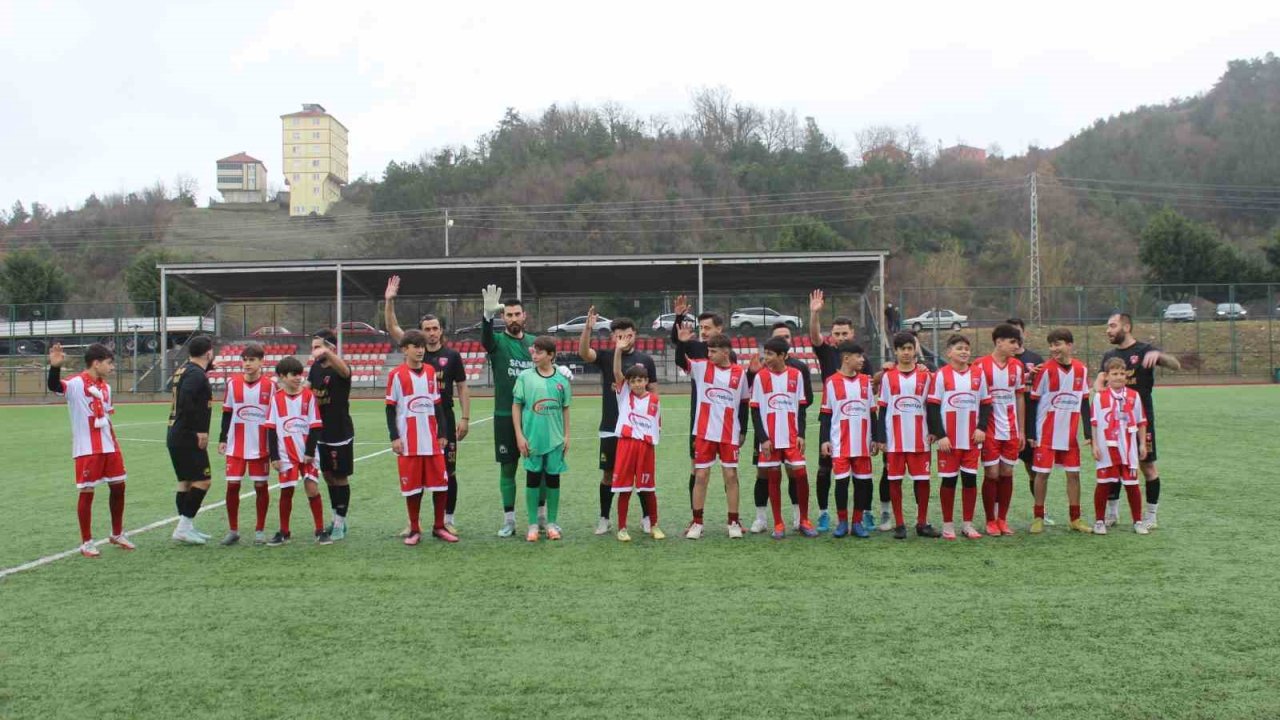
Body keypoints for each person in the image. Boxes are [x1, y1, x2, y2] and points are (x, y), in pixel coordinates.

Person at [385, 276, 472, 535]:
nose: (431, 333)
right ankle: (414, 524)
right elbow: (393, 328)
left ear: (441, 330)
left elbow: (463, 387)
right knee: (418, 475)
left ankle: (447, 519)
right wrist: (389, 302)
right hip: (418, 423)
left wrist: (465, 418)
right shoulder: (415, 350)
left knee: (448, 472)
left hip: (442, 420)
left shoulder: (452, 356)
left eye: (435, 328)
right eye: (427, 329)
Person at [47, 342, 134, 557]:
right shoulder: (75, 384)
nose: (112, 367)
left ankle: (117, 533)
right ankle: (86, 541)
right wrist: (55, 367)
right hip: (87, 448)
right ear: (96, 363)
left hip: (109, 444)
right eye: (109, 363)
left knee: (119, 486)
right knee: (87, 492)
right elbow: (55, 387)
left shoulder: (106, 387)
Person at [578, 307, 658, 536]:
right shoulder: (605, 356)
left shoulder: (645, 360)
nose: (624, 338)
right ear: (613, 337)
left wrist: (654, 423)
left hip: (639, 429)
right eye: (619, 335)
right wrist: (587, 328)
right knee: (608, 473)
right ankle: (605, 518)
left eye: (628, 334)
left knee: (641, 474)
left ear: (635, 334)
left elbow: (654, 393)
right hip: (611, 426)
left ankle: (646, 517)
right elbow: (584, 353)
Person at [1096, 312, 1180, 528]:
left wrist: (1160, 356)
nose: (1108, 330)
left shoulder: (1144, 350)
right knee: (1113, 465)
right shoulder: (1108, 356)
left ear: (1126, 326)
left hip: (1140, 422)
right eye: (1108, 326)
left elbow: (1176, 365)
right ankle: (1112, 514)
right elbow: (1098, 385)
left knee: (1147, 466)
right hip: (1113, 424)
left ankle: (1151, 516)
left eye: (1112, 325)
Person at [479, 285, 545, 537]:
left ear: (525, 316)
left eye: (517, 314)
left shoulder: (534, 344)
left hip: (535, 416)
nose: (514, 318)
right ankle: (509, 521)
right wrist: (487, 317)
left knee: (537, 469)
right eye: (509, 315)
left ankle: (540, 517)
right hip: (505, 416)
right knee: (508, 469)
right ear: (503, 317)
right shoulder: (496, 342)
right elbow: (485, 340)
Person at [674, 332, 749, 539]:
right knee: (701, 476)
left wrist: (743, 430)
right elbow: (680, 360)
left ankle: (733, 521)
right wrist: (681, 343)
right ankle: (697, 523)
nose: (710, 354)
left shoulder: (739, 373)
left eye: (714, 351)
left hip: (729, 434)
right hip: (704, 433)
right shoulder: (701, 367)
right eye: (708, 350)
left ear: (726, 352)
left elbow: (744, 404)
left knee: (731, 476)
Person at [387, 330, 458, 545]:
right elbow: (390, 408)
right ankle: (415, 529)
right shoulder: (397, 375)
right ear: (404, 350)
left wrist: (443, 433)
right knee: (413, 488)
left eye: (422, 346)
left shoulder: (430, 371)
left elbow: (437, 405)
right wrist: (395, 437)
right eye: (415, 346)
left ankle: (438, 527)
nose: (420, 350)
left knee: (440, 485)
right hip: (409, 442)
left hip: (432, 441)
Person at [670, 294, 736, 522]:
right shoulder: (698, 348)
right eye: (701, 327)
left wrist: (743, 427)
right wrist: (679, 317)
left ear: (720, 328)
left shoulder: (730, 356)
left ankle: (734, 517)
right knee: (696, 469)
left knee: (729, 471)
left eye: (707, 327)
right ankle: (695, 517)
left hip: (727, 423)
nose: (704, 332)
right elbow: (678, 343)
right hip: (701, 419)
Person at [747, 324, 814, 535]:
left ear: (783, 355)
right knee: (773, 477)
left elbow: (801, 407)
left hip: (793, 437)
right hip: (771, 439)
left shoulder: (796, 375)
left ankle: (804, 519)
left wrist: (801, 434)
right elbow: (755, 411)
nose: (766, 357)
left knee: (801, 475)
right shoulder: (760, 377)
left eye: (770, 354)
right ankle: (778, 523)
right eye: (765, 353)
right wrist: (763, 439)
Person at [1026, 328, 1094, 534]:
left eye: (1058, 344)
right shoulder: (1045, 370)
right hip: (1045, 434)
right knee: (1042, 475)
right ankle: (1038, 516)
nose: (1053, 349)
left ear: (1070, 345)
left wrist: (1088, 433)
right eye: (1052, 345)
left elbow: (1084, 402)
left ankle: (1075, 519)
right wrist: (1031, 433)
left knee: (1074, 475)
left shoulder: (1081, 370)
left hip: (1069, 435)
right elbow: (1033, 402)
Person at [873, 332, 939, 540]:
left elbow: (933, 406)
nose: (907, 352)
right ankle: (899, 524)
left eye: (910, 348)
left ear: (915, 350)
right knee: (894, 481)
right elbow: (882, 409)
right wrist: (881, 438)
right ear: (896, 351)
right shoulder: (888, 377)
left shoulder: (926, 376)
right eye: (903, 349)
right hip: (895, 440)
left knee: (922, 481)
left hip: (921, 438)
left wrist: (935, 431)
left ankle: (922, 523)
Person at [927, 334, 992, 540]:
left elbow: (985, 403)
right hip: (949, 441)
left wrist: (982, 427)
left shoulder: (978, 374)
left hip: (972, 439)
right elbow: (933, 407)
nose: (964, 351)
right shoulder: (941, 375)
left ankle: (967, 524)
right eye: (959, 348)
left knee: (970, 481)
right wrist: (941, 435)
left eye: (966, 348)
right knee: (949, 482)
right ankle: (948, 525)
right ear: (949, 353)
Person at [808, 289, 862, 533]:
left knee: (860, 473)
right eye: (837, 334)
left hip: (856, 423)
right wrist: (814, 314)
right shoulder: (828, 352)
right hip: (831, 419)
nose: (840, 337)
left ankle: (864, 515)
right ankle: (823, 513)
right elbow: (814, 336)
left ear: (852, 333)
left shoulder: (860, 359)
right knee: (824, 469)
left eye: (844, 333)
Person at [513, 336, 572, 542]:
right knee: (533, 480)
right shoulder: (525, 377)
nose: (534, 355)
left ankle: (552, 523)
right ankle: (532, 525)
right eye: (533, 352)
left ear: (551, 355)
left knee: (554, 480)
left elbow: (565, 409)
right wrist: (519, 435)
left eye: (539, 352)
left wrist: (566, 436)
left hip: (555, 440)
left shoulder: (561, 381)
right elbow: (517, 406)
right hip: (532, 440)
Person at [265, 357, 330, 546]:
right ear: (283, 376)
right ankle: (284, 531)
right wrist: (274, 456)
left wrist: (310, 451)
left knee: (312, 488)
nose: (298, 378)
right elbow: (270, 428)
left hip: (306, 453)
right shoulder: (276, 399)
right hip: (285, 454)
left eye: (300, 374)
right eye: (294, 374)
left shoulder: (308, 396)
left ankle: (320, 530)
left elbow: (315, 425)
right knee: (287, 491)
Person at [972, 324, 1028, 536]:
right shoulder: (980, 365)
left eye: (1018, 342)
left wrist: (1021, 430)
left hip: (1011, 429)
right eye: (1012, 342)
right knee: (992, 473)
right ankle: (989, 520)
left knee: (1007, 472)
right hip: (989, 429)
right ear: (998, 342)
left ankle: (1002, 519)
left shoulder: (1017, 367)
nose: (1016, 346)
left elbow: (1020, 396)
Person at [818, 342, 877, 539]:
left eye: (862, 356)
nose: (862, 360)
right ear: (846, 358)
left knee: (861, 484)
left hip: (862, 443)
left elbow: (872, 412)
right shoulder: (831, 382)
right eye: (858, 356)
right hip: (840, 443)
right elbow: (826, 414)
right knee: (841, 483)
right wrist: (824, 440)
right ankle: (842, 522)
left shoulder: (866, 382)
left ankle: (857, 522)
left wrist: (875, 438)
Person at [217, 342, 272, 546]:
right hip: (235, 445)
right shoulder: (232, 384)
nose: (247, 364)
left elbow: (273, 418)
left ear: (261, 362)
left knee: (260, 486)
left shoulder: (270, 386)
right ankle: (233, 530)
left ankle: (259, 530)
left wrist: (274, 448)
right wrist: (223, 438)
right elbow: (227, 412)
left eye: (252, 360)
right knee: (232, 486)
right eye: (245, 360)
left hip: (261, 446)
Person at [608, 341, 664, 542]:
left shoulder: (655, 400)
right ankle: (622, 528)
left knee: (648, 489)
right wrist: (618, 350)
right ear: (628, 383)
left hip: (646, 448)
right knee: (624, 489)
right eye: (633, 381)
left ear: (647, 381)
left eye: (641, 380)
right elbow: (616, 372)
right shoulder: (624, 396)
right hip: (626, 445)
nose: (637, 384)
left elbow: (657, 425)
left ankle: (654, 525)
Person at [1090, 358, 1150, 535]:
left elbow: (1141, 421)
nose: (1119, 377)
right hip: (1106, 447)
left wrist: (1142, 445)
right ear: (1106, 376)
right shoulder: (1100, 397)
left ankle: (1138, 521)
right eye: (1114, 374)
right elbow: (1094, 422)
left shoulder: (1133, 396)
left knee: (1132, 484)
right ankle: (1099, 521)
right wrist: (1094, 445)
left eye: (1122, 373)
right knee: (1103, 484)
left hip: (1128, 447)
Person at [167, 335, 215, 545]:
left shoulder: (185, 369)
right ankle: (183, 527)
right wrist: (200, 431)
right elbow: (187, 401)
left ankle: (187, 526)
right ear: (208, 353)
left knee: (185, 481)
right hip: (187, 434)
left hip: (176, 432)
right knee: (203, 480)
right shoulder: (196, 374)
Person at [308, 329, 354, 540]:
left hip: (339, 432)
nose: (314, 351)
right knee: (327, 475)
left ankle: (340, 522)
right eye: (313, 347)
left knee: (340, 476)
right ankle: (337, 516)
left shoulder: (341, 368)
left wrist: (327, 352)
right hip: (320, 432)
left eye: (318, 347)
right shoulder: (315, 369)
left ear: (331, 348)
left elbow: (345, 372)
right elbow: (307, 392)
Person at [1007, 317, 1051, 524]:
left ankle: (1041, 512)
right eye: (1010, 334)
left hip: (1030, 420)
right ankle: (998, 515)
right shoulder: (1000, 361)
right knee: (1000, 470)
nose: (1015, 338)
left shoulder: (1035, 358)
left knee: (1032, 467)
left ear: (1024, 333)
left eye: (1018, 332)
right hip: (1004, 420)